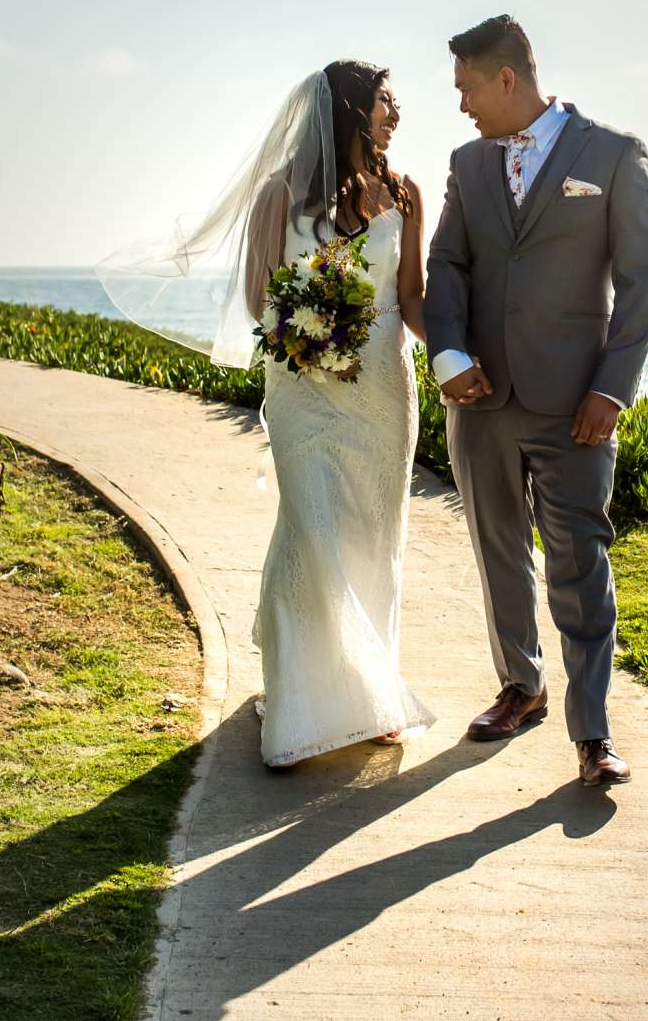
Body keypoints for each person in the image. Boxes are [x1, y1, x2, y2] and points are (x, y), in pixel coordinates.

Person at [100, 63, 435, 769]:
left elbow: (413, 297)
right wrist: (312, 327)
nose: (395, 114)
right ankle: (299, 703)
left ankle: (369, 693)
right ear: (348, 110)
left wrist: (463, 356)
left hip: (381, 389)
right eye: (383, 102)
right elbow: (258, 298)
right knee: (310, 532)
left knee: (374, 535)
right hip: (303, 387)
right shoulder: (279, 195)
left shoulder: (404, 193)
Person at [424, 15, 648, 788]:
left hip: (576, 406)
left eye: (466, 88)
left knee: (579, 562)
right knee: (498, 553)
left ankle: (593, 732)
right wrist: (449, 357)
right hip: (481, 400)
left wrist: (611, 390)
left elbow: (643, 282)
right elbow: (447, 264)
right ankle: (521, 687)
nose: (461, 105)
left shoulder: (615, 155)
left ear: (506, 79)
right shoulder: (466, 163)